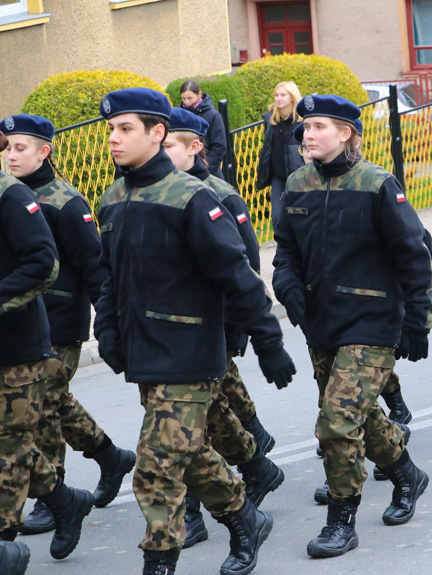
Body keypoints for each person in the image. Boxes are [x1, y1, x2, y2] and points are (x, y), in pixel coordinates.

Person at [94, 87, 296, 574]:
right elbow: (108, 278)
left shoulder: (192, 197)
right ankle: (244, 515)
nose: (114, 140)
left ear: (157, 132)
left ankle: (159, 562)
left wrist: (269, 343)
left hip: (189, 353)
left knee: (156, 466)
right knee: (189, 452)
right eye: (111, 131)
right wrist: (109, 331)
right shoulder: (115, 198)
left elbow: (237, 274)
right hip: (144, 353)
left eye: (126, 129)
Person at [272, 94, 432, 558]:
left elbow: (411, 254)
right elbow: (285, 252)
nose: (308, 133)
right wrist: (287, 287)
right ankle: (406, 473)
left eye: (320, 126)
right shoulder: (298, 183)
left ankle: (341, 521)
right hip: (321, 322)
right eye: (305, 126)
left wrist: (418, 320)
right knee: (359, 415)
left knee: (337, 423)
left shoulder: (377, 183)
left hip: (372, 322)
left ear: (346, 133)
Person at [1, 115, 137, 537]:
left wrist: (108, 323)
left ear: (43, 151)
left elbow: (94, 266)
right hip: (30, 319)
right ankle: (104, 460)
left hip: (57, 322)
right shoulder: (16, 194)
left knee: (41, 411)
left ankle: (52, 494)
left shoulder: (64, 200)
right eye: (9, 148)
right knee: (51, 405)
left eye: (20, 148)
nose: (11, 155)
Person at [161, 107, 285, 550]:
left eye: (169, 144)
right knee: (203, 420)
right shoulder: (156, 191)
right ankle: (255, 464)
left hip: (211, 327)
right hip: (174, 334)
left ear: (195, 147)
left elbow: (245, 264)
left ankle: (192, 514)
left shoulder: (218, 194)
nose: (161, 151)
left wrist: (241, 328)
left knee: (185, 428)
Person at [0, 130, 97, 574]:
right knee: (12, 441)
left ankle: (3, 543)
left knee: (11, 446)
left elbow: (44, 263)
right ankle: (63, 499)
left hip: (18, 345)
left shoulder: (14, 199)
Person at [256, 81, 304, 227]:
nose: (278, 98)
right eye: (276, 95)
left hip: (299, 175)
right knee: (277, 217)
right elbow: (268, 148)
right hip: (278, 176)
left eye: (283, 95)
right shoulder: (271, 121)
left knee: (299, 216)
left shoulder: (302, 121)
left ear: (292, 97)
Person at [179, 80, 227, 179]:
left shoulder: (213, 116)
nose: (186, 102)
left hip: (210, 172)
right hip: (186, 172)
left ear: (199, 94)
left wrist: (204, 167)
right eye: (183, 98)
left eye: (190, 98)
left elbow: (219, 146)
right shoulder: (180, 115)